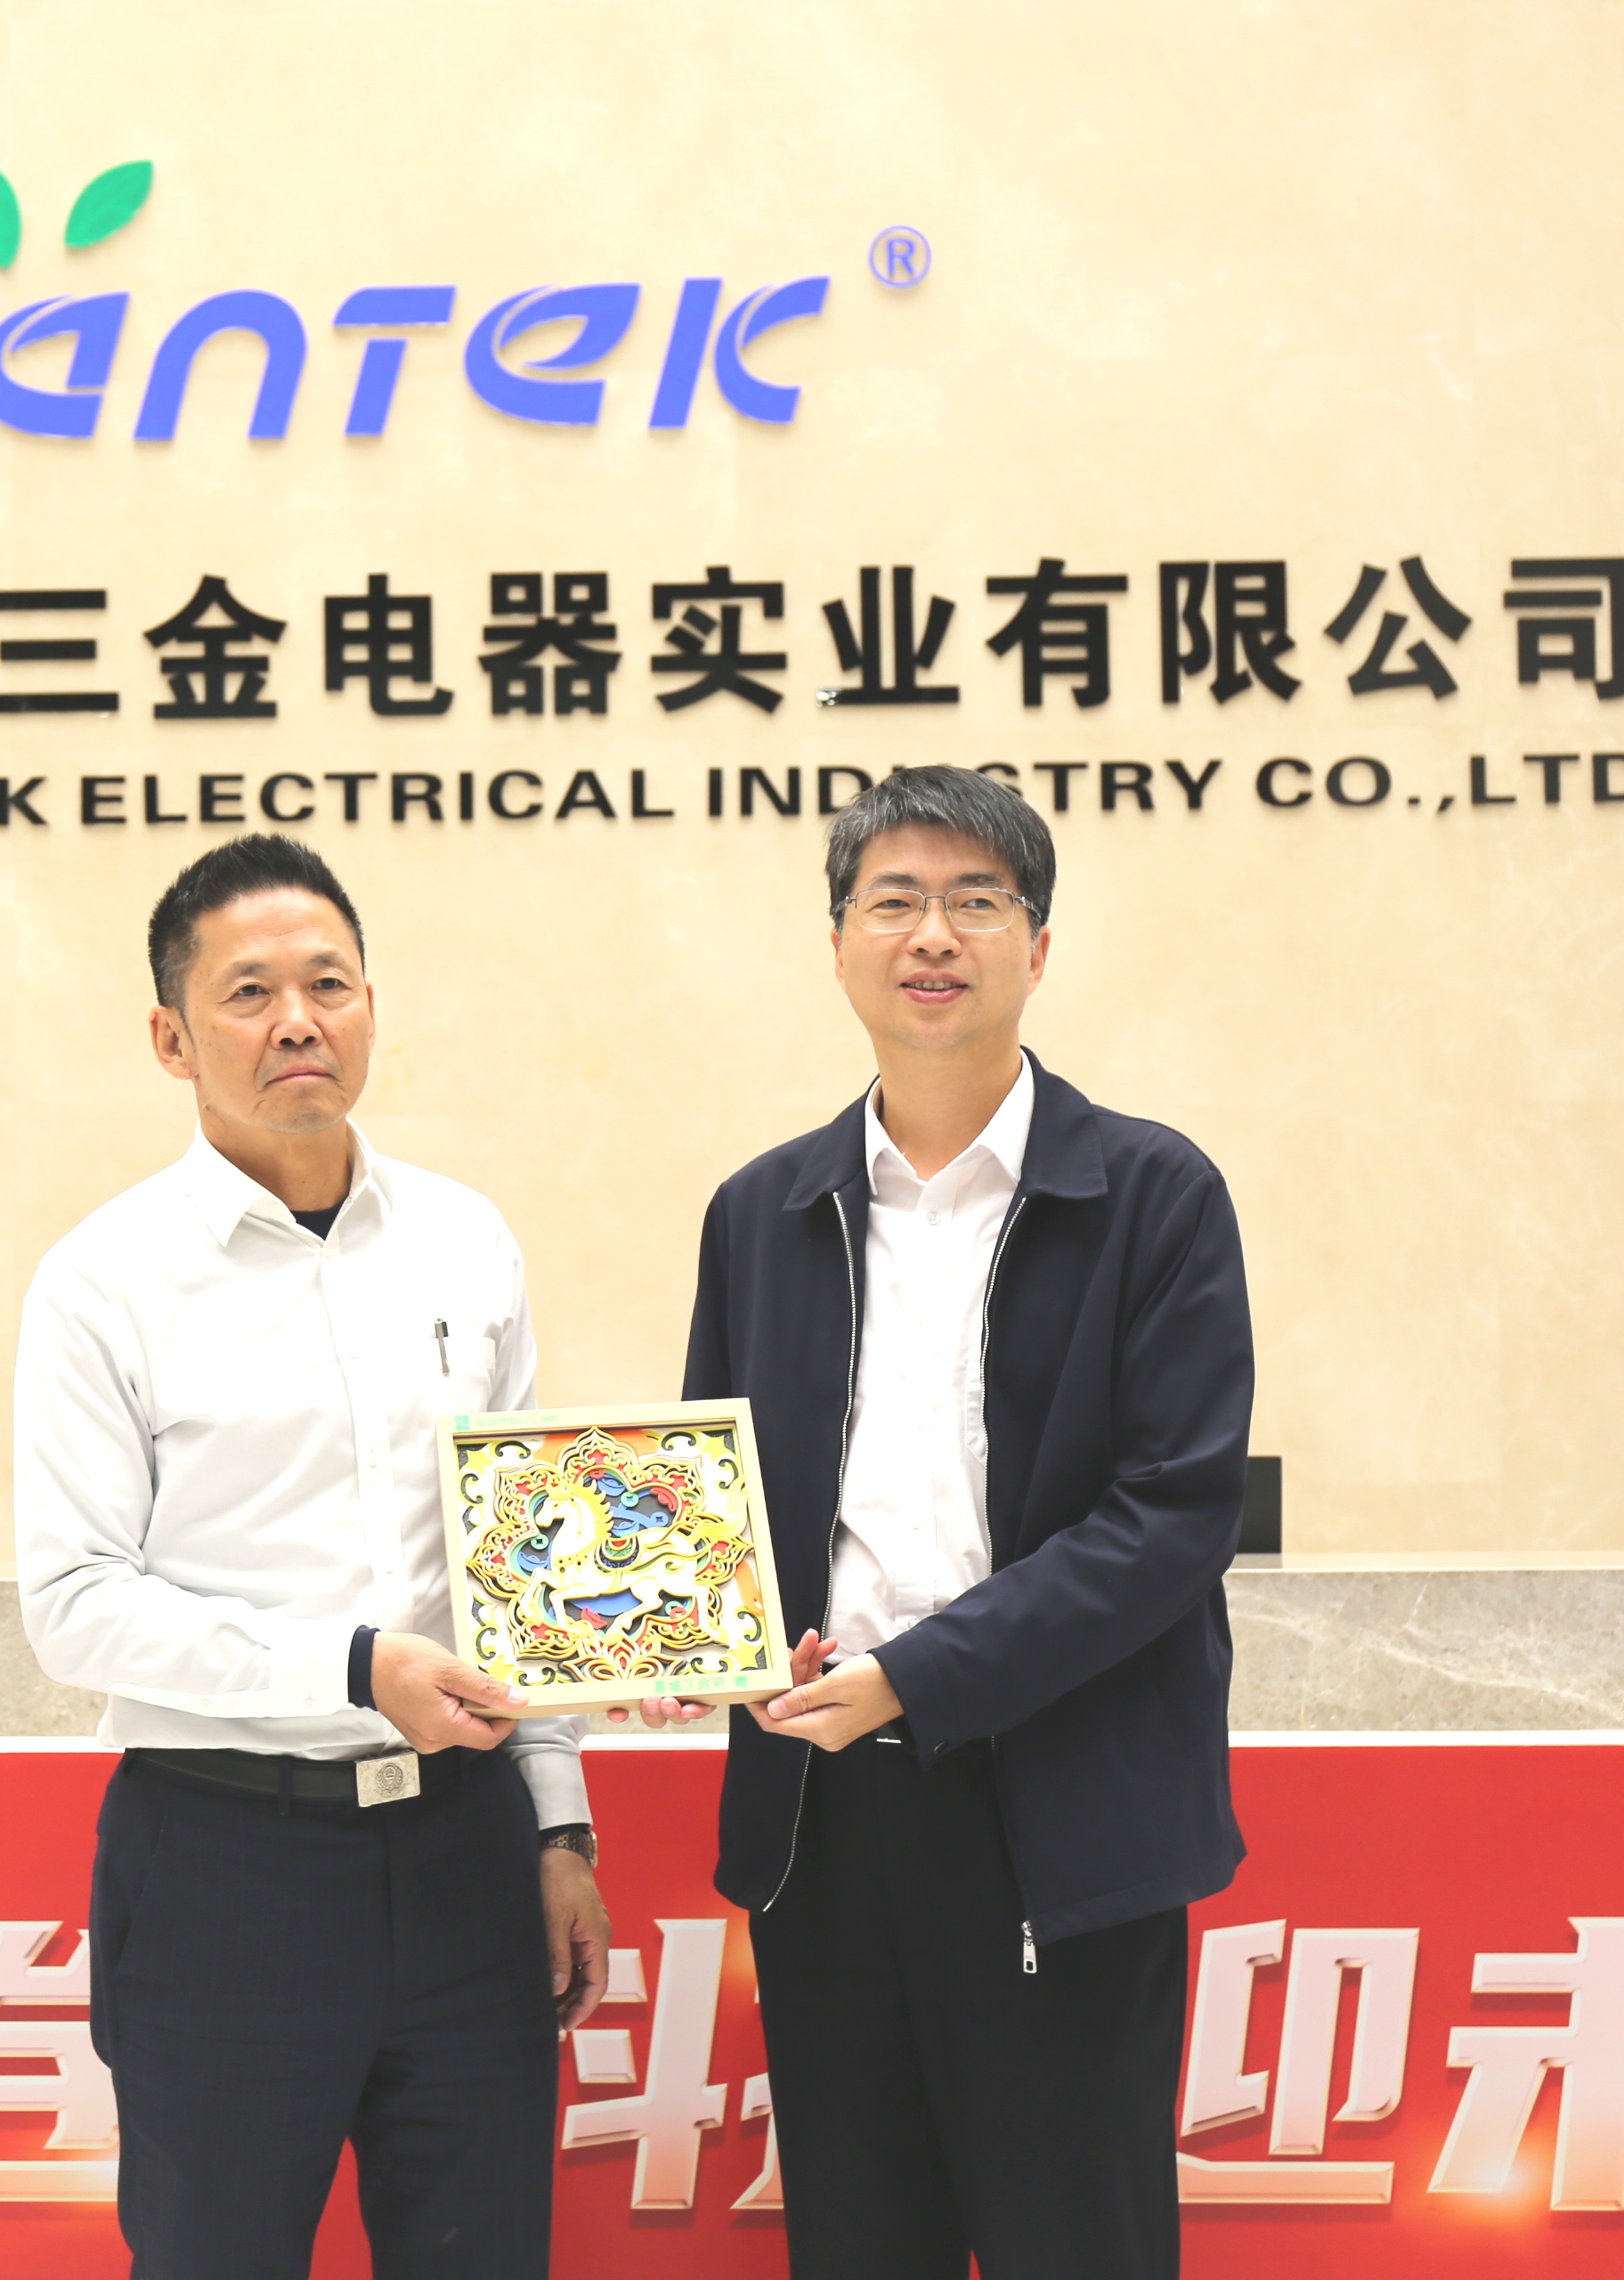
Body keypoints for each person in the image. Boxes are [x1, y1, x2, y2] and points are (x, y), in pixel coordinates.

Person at [676, 766, 1252, 2278]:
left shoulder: (1153, 1195)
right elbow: (716, 1503)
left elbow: (1172, 1515)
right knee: (861, 2244)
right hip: (821, 1826)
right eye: (895, 902)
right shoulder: (761, 1212)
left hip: (1057, 1819)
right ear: (838, 945)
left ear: (1037, 948)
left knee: (1078, 2244)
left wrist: (919, 1677)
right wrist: (693, 1636)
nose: (932, 936)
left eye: (975, 902)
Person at [16, 833, 611, 2280]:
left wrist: (558, 1826)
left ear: (370, 1008)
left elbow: (518, 1560)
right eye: (249, 993)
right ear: (171, 1038)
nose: (298, 1021)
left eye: (329, 985)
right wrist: (354, 1669)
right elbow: (75, 1606)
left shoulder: (466, 1242)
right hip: (227, 1864)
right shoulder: (104, 1282)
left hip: (466, 1855)